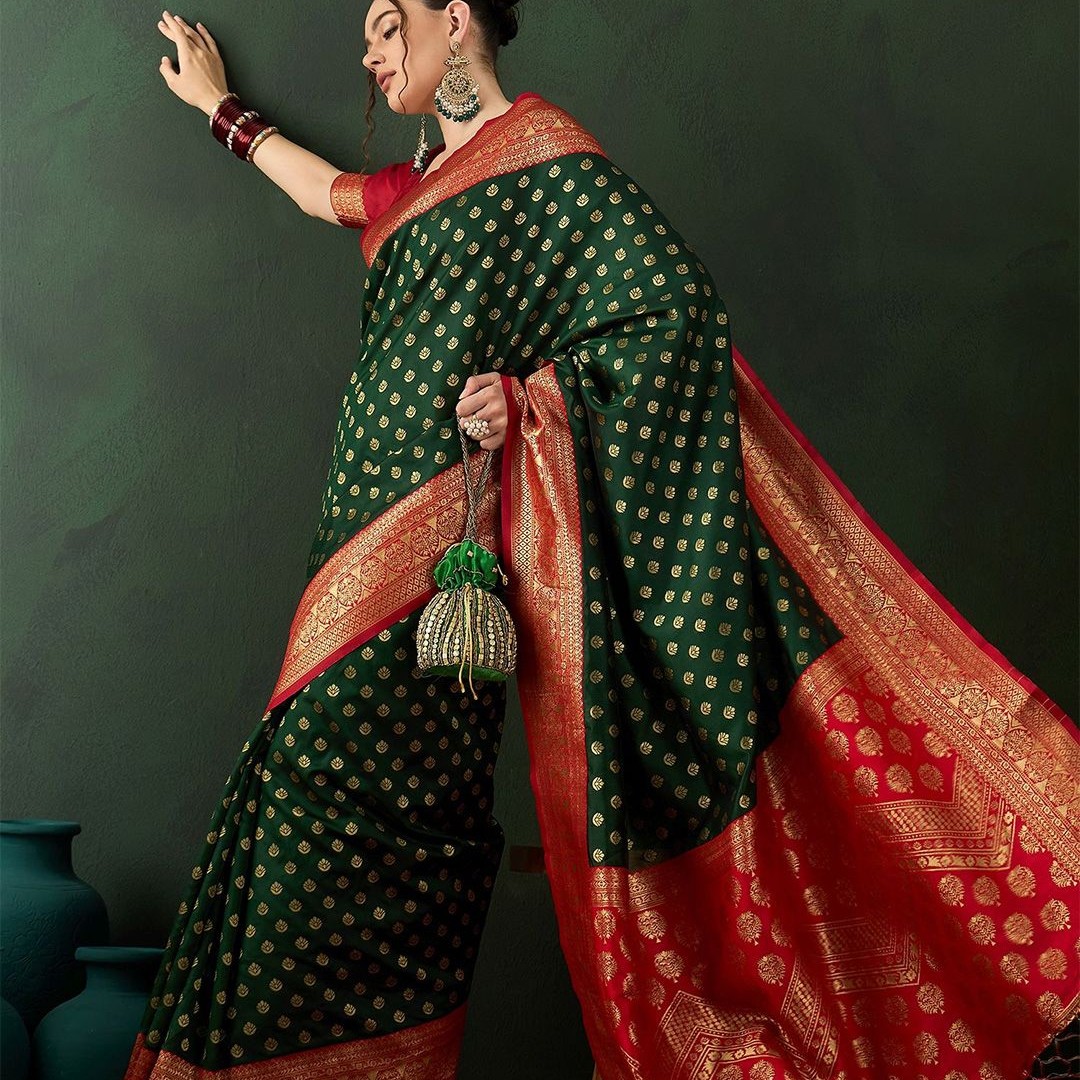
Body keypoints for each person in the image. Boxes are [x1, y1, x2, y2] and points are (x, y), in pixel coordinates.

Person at [127, 2, 1077, 1078]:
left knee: (383, 831)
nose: (369, 48)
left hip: (444, 570)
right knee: (316, 804)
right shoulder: (415, 185)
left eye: (390, 22)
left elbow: (673, 320)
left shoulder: (550, 160)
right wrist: (219, 107)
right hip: (349, 549)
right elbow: (322, 192)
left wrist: (532, 399)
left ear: (456, 17)